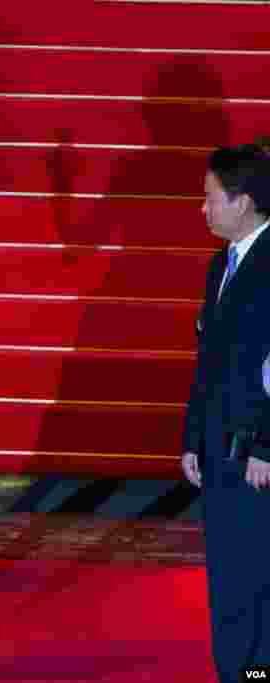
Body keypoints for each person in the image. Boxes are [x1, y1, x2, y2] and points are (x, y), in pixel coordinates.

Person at [181, 144, 270, 682]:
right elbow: (208, 358)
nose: (204, 208)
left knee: (258, 574)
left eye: (211, 198)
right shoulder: (222, 264)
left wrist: (268, 444)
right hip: (219, 446)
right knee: (230, 573)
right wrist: (192, 436)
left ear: (244, 202)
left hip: (257, 452)